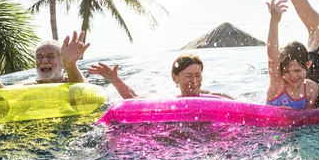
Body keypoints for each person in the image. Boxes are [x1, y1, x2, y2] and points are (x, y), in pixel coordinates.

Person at [0, 31, 90, 90]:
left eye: (51, 56)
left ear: (62, 62)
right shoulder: (28, 85)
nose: (44, 60)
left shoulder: (72, 80)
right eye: (40, 56)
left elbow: (83, 92)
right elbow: (4, 95)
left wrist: (71, 65)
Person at [89, 54, 234, 100]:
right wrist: (115, 80)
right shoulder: (170, 103)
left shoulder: (219, 98)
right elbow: (136, 100)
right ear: (175, 78)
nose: (194, 81)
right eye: (188, 76)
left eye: (198, 75)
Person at [265, 0, 319, 109]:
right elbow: (272, 57)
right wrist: (274, 21)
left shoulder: (311, 88)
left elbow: (310, 117)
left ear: (308, 65)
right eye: (287, 71)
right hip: (271, 126)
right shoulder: (277, 83)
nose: (292, 76)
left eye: (297, 70)